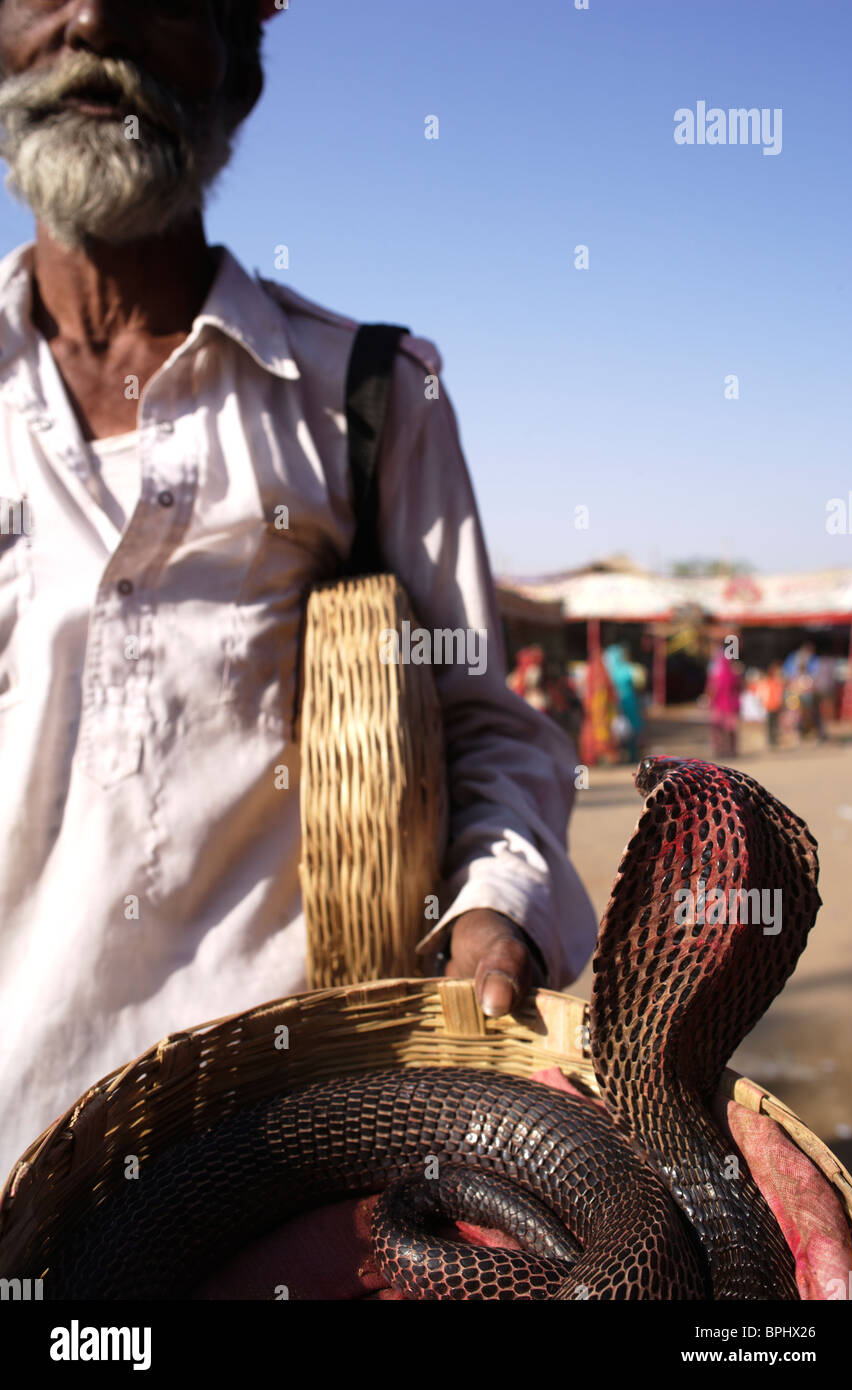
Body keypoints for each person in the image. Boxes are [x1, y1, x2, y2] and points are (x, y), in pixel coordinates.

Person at [0, 2, 597, 1177]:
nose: (92, 18)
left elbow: (483, 727)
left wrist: (496, 904)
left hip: (270, 1151)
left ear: (240, 69)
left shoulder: (367, 398)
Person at [603, 643, 642, 764]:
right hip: (630, 702)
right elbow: (639, 684)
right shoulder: (629, 669)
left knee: (615, 730)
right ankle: (632, 755)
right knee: (632, 729)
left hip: (615, 703)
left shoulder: (608, 671)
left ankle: (619, 756)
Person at [705, 644, 742, 758]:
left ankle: (720, 749)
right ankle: (731, 749)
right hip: (731, 704)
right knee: (730, 730)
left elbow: (712, 688)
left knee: (718, 729)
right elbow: (740, 687)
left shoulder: (716, 672)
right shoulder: (735, 671)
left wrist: (708, 700)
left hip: (720, 705)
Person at [756, 662, 785, 748]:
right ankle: (771, 740)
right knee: (769, 724)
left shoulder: (777, 682)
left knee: (775, 724)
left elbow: (779, 694)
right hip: (768, 705)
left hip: (775, 705)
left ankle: (774, 739)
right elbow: (762, 693)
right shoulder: (767, 682)